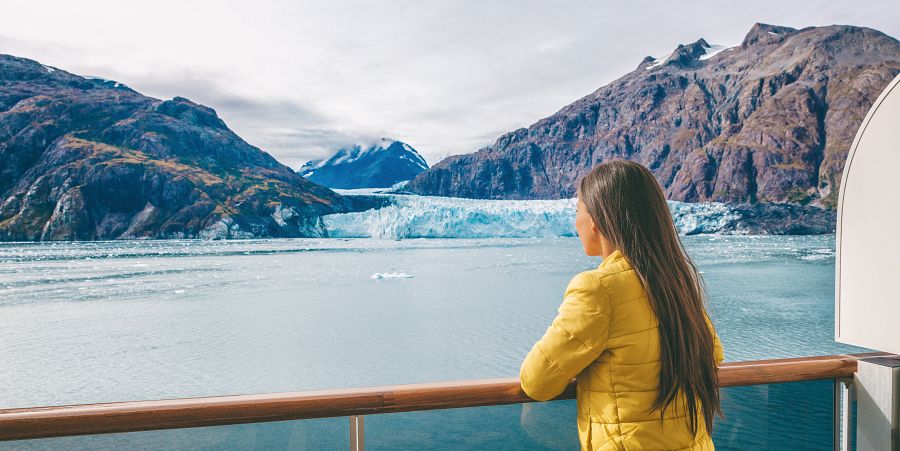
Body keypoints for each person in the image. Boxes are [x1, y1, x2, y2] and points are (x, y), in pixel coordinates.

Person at [520, 160, 725, 450]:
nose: (575, 222)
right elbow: (714, 354)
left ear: (596, 220)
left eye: (577, 210)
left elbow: (537, 382)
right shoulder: (676, 280)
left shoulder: (597, 289)